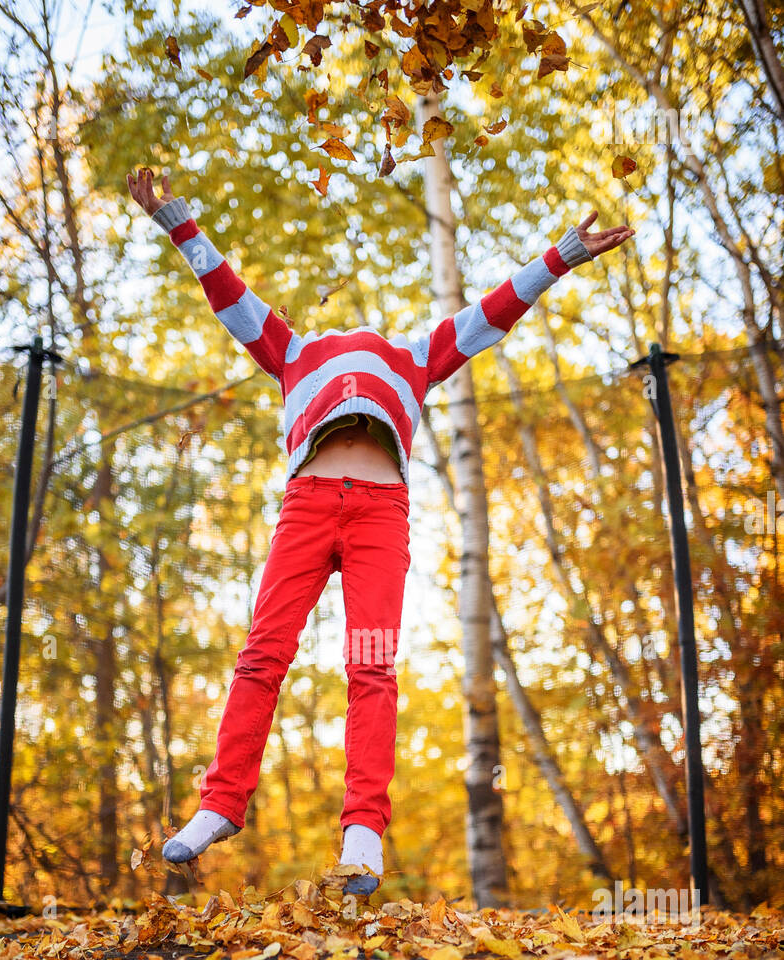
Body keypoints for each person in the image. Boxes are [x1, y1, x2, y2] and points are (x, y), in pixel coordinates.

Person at [126, 167, 635, 893]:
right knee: (261, 655)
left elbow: (491, 313)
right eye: (344, 342)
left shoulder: (414, 356)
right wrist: (179, 222)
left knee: (370, 668)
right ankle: (219, 804)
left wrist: (558, 256)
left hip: (378, 520)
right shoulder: (293, 351)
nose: (353, 343)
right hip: (305, 509)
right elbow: (229, 296)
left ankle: (362, 832)